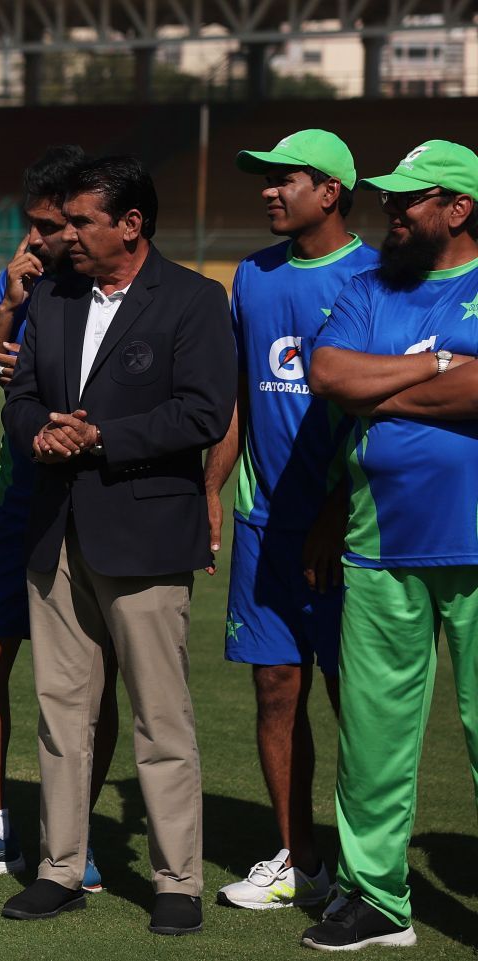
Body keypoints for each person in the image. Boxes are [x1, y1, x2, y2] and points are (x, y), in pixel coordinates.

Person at [0, 156, 235, 937]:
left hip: (145, 535)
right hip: (56, 530)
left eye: (80, 223)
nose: (64, 235)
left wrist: (102, 438)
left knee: (160, 719)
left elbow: (203, 413)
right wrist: (42, 432)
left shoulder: (197, 301)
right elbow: (22, 394)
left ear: (131, 224)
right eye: (61, 222)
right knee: (62, 715)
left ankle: (177, 880)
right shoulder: (55, 296)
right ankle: (60, 868)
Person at [303, 138, 478, 952]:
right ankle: (376, 896)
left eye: (411, 199)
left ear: (458, 208)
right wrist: (441, 370)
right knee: (372, 736)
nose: (392, 210)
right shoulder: (370, 286)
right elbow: (331, 375)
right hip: (378, 545)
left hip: (473, 545)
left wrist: (391, 391)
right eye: (390, 198)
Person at [209, 129, 375, 912]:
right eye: (266, 179)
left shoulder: (376, 274)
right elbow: (241, 397)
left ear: (332, 191)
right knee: (276, 687)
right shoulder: (253, 274)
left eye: (287, 179)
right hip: (260, 523)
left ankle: (364, 865)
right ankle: (298, 858)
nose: (270, 190)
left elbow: (381, 415)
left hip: (354, 532)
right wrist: (212, 489)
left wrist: (338, 511)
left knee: (360, 702)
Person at [0, 145, 115, 888]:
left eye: (54, 225)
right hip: (13, 508)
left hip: (95, 512)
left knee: (87, 684)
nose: (41, 239)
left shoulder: (125, 288)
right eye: (36, 225)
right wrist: (10, 301)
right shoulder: (29, 286)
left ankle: (68, 831)